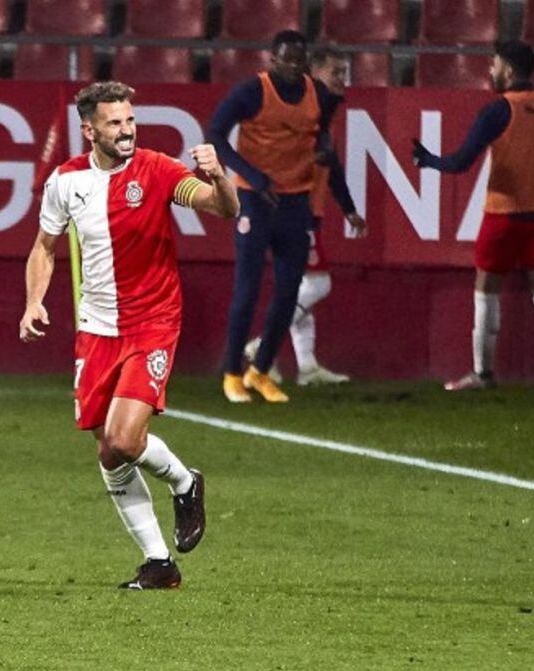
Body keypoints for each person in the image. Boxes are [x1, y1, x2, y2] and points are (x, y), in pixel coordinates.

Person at [19, 81, 239, 589]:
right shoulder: (65, 182)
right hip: (96, 329)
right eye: (115, 122)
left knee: (124, 438)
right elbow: (43, 248)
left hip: (153, 322)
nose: (127, 130)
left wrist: (219, 176)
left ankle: (185, 482)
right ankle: (158, 563)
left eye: (130, 120)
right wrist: (34, 302)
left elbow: (223, 209)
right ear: (89, 129)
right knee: (108, 452)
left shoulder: (158, 170)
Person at [412, 40, 534, 392]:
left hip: (504, 216)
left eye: (493, 65)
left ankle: (483, 373)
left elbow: (461, 163)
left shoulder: (498, 111)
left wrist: (428, 160)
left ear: (508, 68)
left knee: (486, 290)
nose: (490, 72)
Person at [210, 30, 353, 403]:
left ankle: (260, 371)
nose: (292, 66)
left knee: (289, 291)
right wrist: (251, 175)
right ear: (271, 60)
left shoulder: (317, 95)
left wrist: (325, 157)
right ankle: (231, 374)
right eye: (286, 59)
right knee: (249, 287)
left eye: (298, 60)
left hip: (295, 203)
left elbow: (323, 138)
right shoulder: (251, 92)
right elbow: (215, 136)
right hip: (254, 202)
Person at [243, 45, 368, 386]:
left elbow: (332, 163)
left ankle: (308, 367)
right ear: (314, 73)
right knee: (317, 283)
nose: (342, 79)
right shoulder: (316, 104)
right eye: (335, 72)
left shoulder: (322, 109)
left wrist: (349, 208)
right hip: (296, 208)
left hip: (304, 207)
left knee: (300, 286)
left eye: (345, 72)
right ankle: (262, 345)